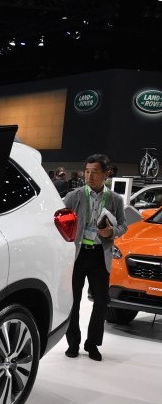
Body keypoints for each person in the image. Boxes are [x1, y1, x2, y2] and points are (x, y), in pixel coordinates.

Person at [62, 153, 128, 361]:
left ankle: (92, 344)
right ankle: (73, 343)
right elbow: (61, 220)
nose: (90, 176)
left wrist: (112, 232)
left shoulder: (115, 199)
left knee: (101, 301)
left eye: (95, 172)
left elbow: (124, 225)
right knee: (73, 299)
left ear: (106, 174)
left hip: (101, 255)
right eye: (87, 172)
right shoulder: (74, 196)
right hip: (77, 255)